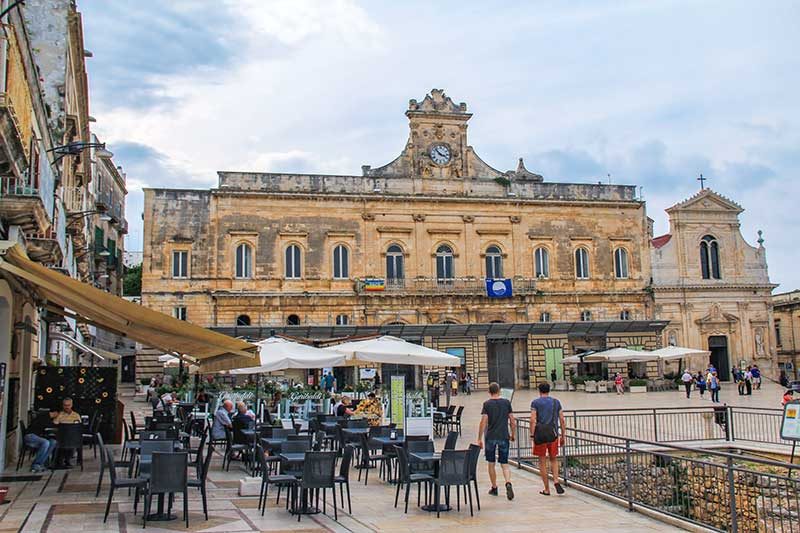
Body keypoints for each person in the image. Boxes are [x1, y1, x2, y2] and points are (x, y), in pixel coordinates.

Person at [477, 382, 516, 500]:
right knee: (504, 464)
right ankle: (508, 482)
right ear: (499, 391)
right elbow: (512, 421)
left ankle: (494, 487)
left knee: (491, 463)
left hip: (491, 437)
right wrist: (512, 434)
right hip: (504, 435)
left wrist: (479, 438)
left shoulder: (487, 404)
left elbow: (483, 422)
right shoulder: (506, 403)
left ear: (489, 392)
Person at [530, 382, 566, 496]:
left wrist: (532, 434)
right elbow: (562, 419)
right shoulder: (556, 402)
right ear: (549, 390)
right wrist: (563, 435)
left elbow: (532, 419)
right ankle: (556, 480)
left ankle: (546, 489)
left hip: (540, 435)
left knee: (542, 461)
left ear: (539, 391)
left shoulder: (535, 403)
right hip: (553, 434)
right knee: (554, 459)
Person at [50, 398, 82, 467]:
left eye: (68, 405)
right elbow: (55, 424)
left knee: (71, 442)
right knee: (59, 442)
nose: (67, 407)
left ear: (71, 405)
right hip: (61, 437)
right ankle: (59, 461)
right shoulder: (60, 415)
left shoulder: (76, 415)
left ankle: (67, 460)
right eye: (65, 405)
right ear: (62, 405)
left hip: (72, 437)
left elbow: (79, 427)